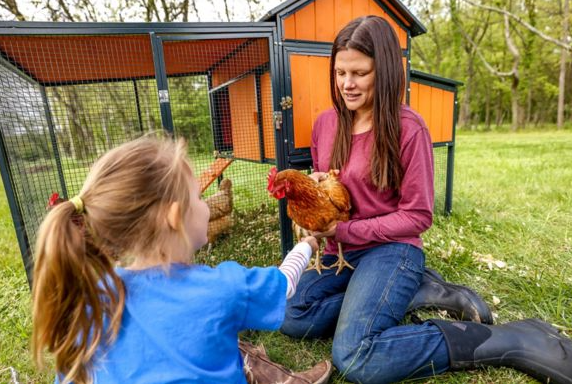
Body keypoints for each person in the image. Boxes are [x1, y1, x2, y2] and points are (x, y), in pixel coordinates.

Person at [280, 15, 572, 384]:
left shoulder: (409, 128)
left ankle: (508, 338)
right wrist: (318, 197)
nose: (347, 84)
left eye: (359, 73)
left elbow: (418, 216)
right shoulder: (326, 124)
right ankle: (408, 293)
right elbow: (333, 198)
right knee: (290, 314)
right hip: (343, 253)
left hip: (392, 249)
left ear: (384, 71)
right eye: (340, 73)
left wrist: (346, 229)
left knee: (356, 356)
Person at [31, 137, 333, 384]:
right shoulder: (223, 288)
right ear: (175, 216)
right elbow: (284, 282)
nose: (204, 205)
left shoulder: (93, 297)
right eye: (199, 198)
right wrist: (307, 244)